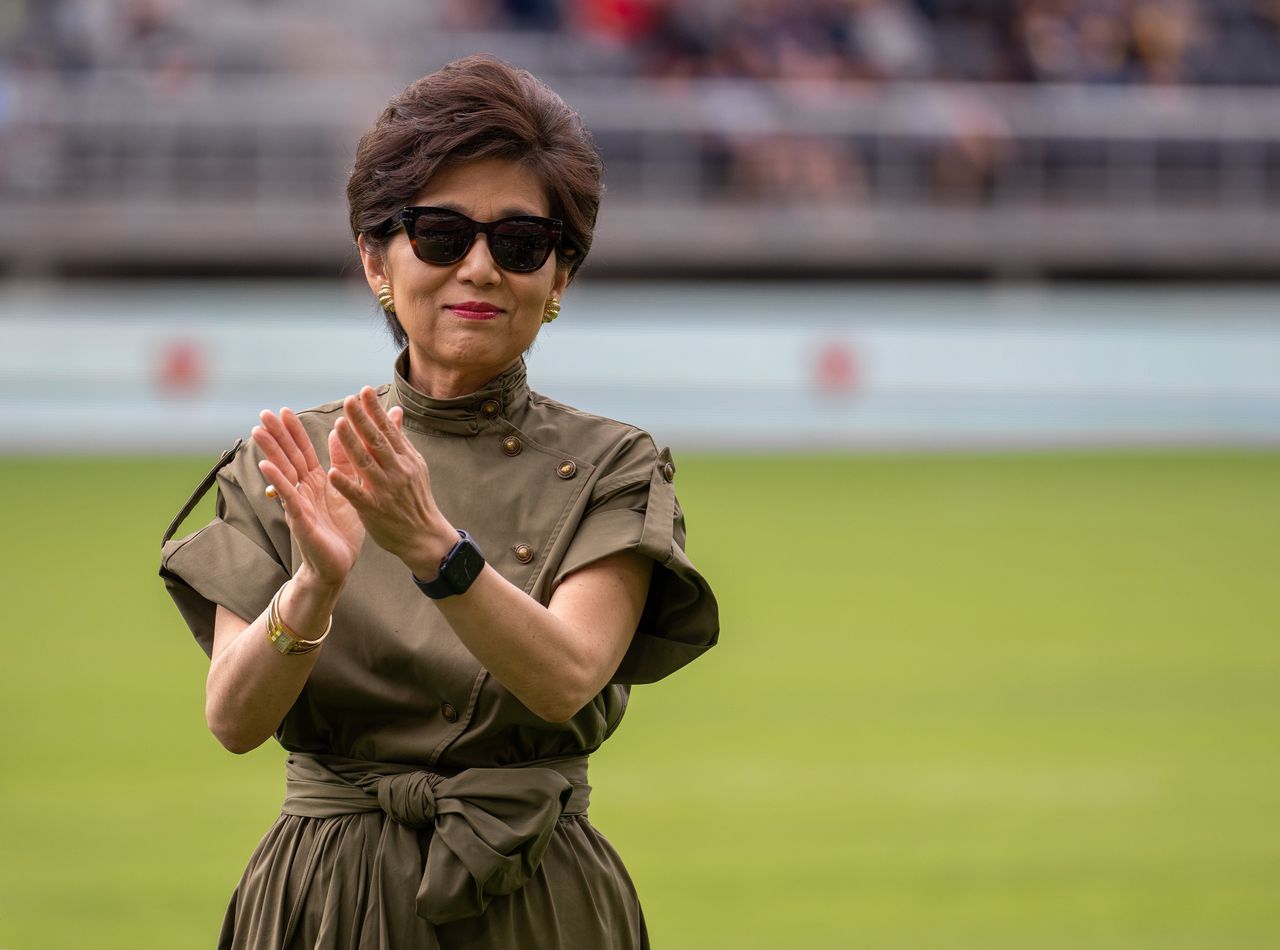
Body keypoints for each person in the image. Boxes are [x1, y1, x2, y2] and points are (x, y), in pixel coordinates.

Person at [159, 54, 719, 950]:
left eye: (522, 242)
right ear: (377, 261)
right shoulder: (290, 459)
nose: (481, 268)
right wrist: (313, 589)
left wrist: (434, 550)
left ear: (559, 279)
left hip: (536, 891)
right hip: (324, 896)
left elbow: (570, 677)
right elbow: (232, 718)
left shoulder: (614, 463)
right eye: (441, 233)